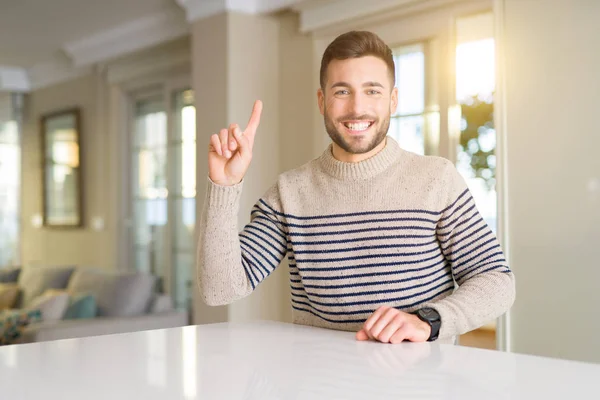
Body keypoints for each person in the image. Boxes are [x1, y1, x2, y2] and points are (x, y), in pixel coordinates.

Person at [197, 30, 515, 344]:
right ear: (322, 101)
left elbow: (497, 281)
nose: (356, 108)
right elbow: (220, 289)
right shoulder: (289, 192)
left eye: (372, 91)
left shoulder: (437, 179)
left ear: (393, 100)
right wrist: (224, 185)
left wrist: (428, 321)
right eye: (342, 91)